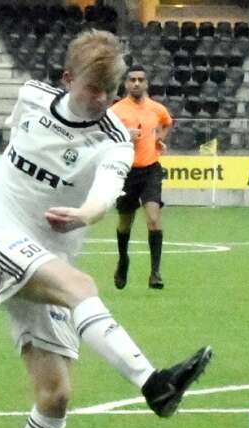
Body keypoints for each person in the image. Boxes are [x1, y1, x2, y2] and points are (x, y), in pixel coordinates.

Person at [0, 30, 212, 428]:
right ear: (67, 78)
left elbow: (104, 194)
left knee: (55, 396)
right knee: (81, 287)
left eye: (110, 89)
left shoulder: (115, 139)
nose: (102, 99)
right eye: (93, 88)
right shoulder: (31, 98)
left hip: (45, 259)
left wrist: (85, 214)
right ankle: (154, 384)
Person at [109, 64, 172, 290]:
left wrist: (158, 138)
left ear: (146, 84)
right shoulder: (116, 111)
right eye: (132, 80)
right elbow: (105, 137)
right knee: (125, 223)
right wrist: (125, 136)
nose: (136, 83)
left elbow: (167, 123)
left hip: (150, 169)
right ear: (126, 84)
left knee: (153, 219)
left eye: (140, 80)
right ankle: (123, 259)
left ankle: (155, 272)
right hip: (126, 171)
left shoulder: (156, 108)